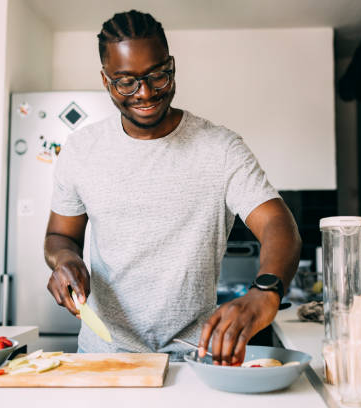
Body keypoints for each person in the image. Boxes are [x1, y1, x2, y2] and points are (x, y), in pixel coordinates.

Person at [44, 10, 301, 366]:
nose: (146, 93)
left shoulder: (220, 148)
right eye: (126, 82)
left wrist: (266, 291)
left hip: (195, 359)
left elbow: (279, 225)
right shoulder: (81, 150)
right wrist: (65, 261)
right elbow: (60, 236)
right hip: (103, 358)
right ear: (105, 80)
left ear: (172, 66)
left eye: (157, 76)